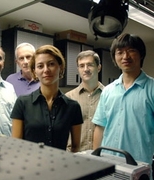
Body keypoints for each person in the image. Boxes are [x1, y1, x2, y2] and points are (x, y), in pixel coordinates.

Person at [92, 33, 154, 174]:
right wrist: (96, 160)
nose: (125, 56)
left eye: (131, 50)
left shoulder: (152, 89)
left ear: (141, 55)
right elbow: (100, 127)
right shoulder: (108, 91)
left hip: (140, 166)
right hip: (109, 164)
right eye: (120, 52)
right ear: (114, 57)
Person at [11, 45, 83, 152]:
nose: (46, 70)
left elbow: (75, 147)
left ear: (61, 67)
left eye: (51, 64)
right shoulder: (22, 103)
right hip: (29, 165)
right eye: (40, 66)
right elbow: (16, 145)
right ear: (35, 71)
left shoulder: (73, 106)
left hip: (60, 166)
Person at [65, 50, 104, 151]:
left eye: (90, 65)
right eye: (81, 66)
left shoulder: (109, 95)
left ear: (99, 67)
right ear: (78, 69)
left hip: (102, 156)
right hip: (75, 156)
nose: (86, 69)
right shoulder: (68, 98)